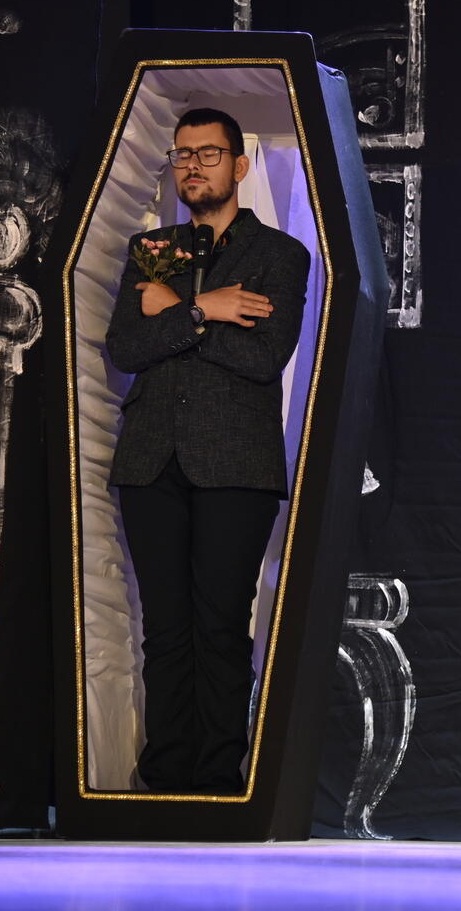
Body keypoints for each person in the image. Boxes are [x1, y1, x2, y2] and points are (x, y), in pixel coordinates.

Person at [106, 107, 310, 793]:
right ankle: (165, 777)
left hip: (236, 462)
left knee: (220, 626)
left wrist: (176, 310)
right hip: (150, 459)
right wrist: (203, 309)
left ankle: (218, 779)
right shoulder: (152, 248)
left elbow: (263, 357)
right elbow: (126, 347)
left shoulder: (280, 255)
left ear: (239, 165)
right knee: (164, 630)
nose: (192, 166)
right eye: (182, 155)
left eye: (208, 154)